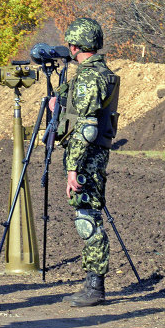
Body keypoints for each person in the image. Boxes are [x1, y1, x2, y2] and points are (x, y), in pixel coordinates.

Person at [50, 17, 119, 307]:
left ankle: (95, 287)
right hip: (92, 157)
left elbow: (87, 127)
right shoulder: (94, 74)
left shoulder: (91, 77)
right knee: (88, 216)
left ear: (78, 45)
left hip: (87, 159)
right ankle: (93, 284)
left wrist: (72, 169)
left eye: (71, 44)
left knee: (87, 220)